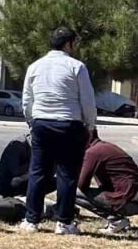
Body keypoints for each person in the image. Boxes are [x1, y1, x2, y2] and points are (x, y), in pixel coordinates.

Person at [19, 27, 97, 235]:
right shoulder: (77, 66)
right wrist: (90, 125)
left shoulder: (35, 66)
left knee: (37, 172)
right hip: (68, 124)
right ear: (68, 44)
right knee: (67, 174)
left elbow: (27, 99)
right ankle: (64, 222)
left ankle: (31, 220)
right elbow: (87, 101)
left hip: (41, 123)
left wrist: (31, 121)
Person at [76, 130, 138, 233]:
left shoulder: (92, 152)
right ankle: (118, 220)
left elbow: (82, 184)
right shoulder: (106, 147)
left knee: (71, 192)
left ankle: (116, 221)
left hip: (130, 202)